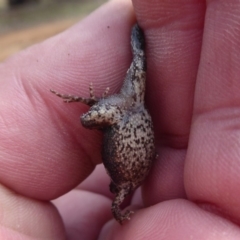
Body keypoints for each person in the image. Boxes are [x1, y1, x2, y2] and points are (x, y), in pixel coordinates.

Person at [1, 0, 240, 239]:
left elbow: (116, 204)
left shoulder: (125, 183)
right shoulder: (127, 183)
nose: (113, 190)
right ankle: (134, 40)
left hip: (128, 113)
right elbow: (117, 204)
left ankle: (133, 41)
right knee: (138, 64)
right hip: (130, 112)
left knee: (138, 64)